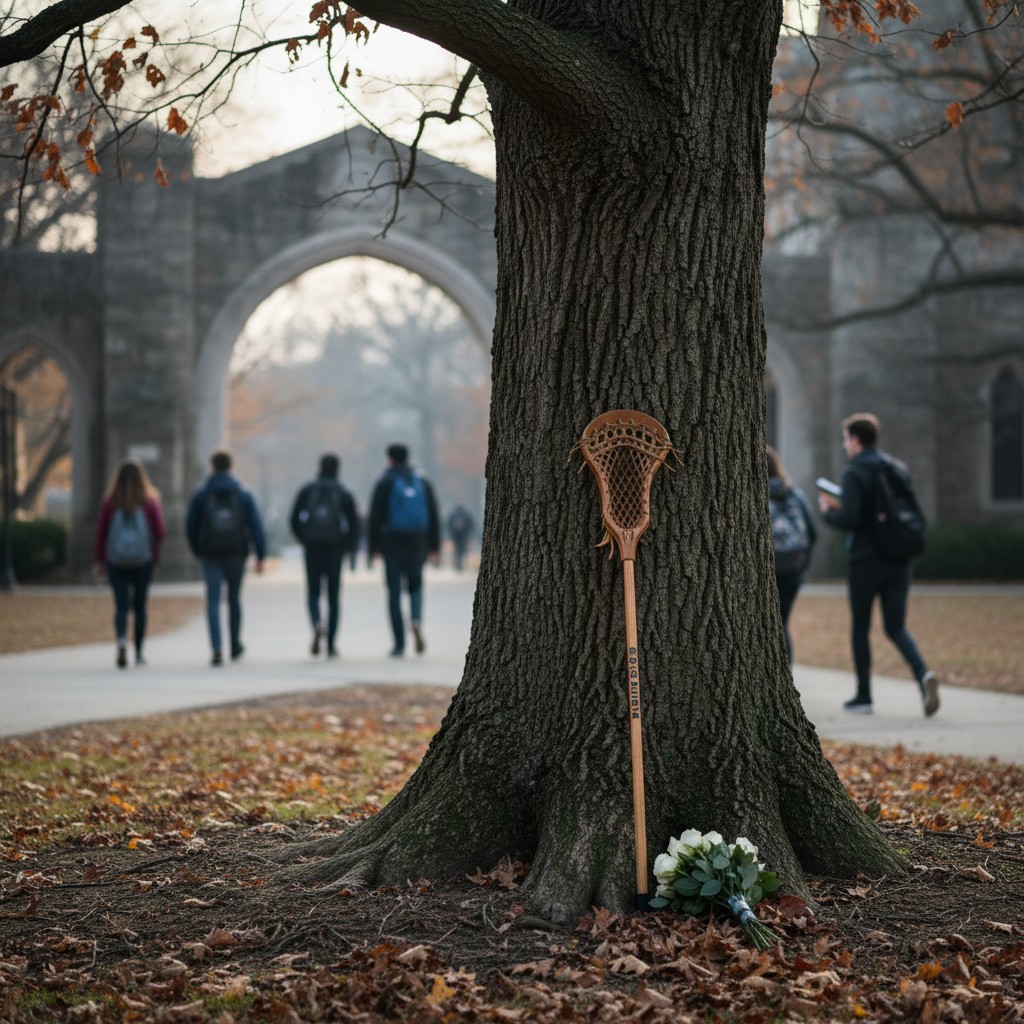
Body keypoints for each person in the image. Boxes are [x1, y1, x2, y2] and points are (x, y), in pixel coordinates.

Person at [819, 413, 940, 717]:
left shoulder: (855, 472)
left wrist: (827, 512)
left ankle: (863, 697)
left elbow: (850, 519)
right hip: (899, 559)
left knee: (861, 626)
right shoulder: (896, 468)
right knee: (896, 626)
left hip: (866, 560)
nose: (845, 444)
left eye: (846, 438)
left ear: (856, 439)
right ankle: (923, 675)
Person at [185, 448, 266, 666]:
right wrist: (260, 555)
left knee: (212, 601)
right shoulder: (243, 493)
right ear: (231, 466)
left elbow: (190, 526)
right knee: (234, 600)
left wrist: (196, 549)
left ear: (212, 467)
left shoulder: (202, 494)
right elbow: (256, 526)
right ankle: (235, 645)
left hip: (210, 554)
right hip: (236, 553)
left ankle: (217, 648)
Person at [368, 443, 441, 657]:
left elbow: (375, 516)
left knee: (394, 591)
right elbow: (434, 514)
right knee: (416, 587)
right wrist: (434, 545)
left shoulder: (385, 481)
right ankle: (416, 620)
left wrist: (374, 547)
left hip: (392, 543)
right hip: (418, 542)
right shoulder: (422, 480)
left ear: (389, 459)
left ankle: (399, 643)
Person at [93, 458, 166, 668]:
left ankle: (122, 641)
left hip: (116, 562)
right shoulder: (150, 502)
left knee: (121, 606)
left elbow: (101, 534)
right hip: (144, 561)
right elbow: (160, 532)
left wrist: (99, 560)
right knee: (140, 606)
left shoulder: (109, 502)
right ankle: (140, 652)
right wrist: (153, 549)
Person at [289, 453, 359, 658]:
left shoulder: (307, 490)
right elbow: (354, 524)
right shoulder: (344, 492)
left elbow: (293, 519)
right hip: (335, 549)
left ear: (319, 467)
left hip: (312, 548)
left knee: (313, 591)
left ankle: (317, 623)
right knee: (334, 596)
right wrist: (346, 546)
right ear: (338, 469)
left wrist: (304, 539)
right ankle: (331, 644)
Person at [767, 445, 816, 664]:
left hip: (768, 570)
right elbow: (812, 531)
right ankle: (787, 676)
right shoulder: (794, 492)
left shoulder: (752, 496)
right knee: (782, 624)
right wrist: (803, 563)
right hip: (793, 569)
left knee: (767, 625)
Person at [447, 503, 474, 572]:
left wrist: (451, 533)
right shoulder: (465, 514)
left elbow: (448, 524)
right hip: (463, 535)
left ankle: (457, 563)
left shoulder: (453, 514)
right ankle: (460, 564)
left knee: (456, 549)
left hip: (455, 535)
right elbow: (471, 524)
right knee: (462, 549)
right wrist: (468, 533)